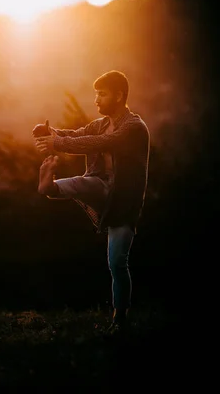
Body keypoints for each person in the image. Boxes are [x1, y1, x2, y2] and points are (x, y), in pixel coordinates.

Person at [32, 70, 150, 335]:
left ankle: (120, 318)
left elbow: (99, 142)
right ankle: (48, 186)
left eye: (102, 94)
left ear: (119, 96)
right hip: (98, 184)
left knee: (117, 263)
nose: (96, 99)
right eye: (96, 93)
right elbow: (78, 133)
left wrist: (57, 143)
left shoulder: (134, 127)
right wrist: (50, 132)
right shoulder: (99, 123)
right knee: (78, 183)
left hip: (123, 200)